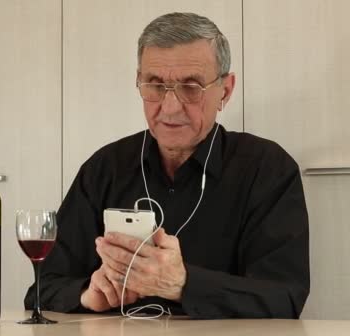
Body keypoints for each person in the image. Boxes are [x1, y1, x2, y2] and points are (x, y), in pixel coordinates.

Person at [24, 12, 310, 319]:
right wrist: (88, 295)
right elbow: (41, 289)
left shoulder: (268, 169)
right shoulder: (103, 169)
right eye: (156, 85)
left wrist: (184, 284)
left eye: (191, 86)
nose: (171, 108)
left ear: (225, 90)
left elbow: (284, 297)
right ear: (139, 83)